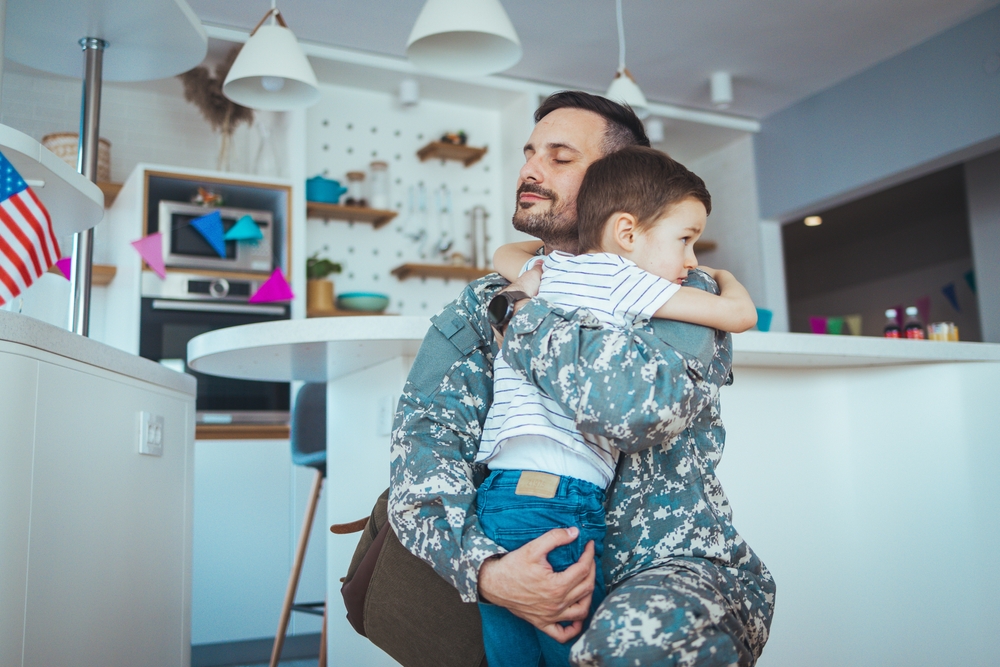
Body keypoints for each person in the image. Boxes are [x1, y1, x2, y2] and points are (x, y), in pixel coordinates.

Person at [389, 91, 774, 665]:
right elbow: (420, 452)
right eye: (529, 152)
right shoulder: (483, 302)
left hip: (669, 569)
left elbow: (635, 408)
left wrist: (522, 319)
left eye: (559, 156)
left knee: (626, 646)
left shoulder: (682, 293)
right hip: (516, 546)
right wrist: (489, 572)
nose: (529, 169)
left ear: (614, 182)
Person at [473, 145, 758, 667]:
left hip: (498, 494)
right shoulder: (628, 281)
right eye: (686, 239)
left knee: (510, 656)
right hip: (563, 498)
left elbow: (503, 254)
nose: (691, 258)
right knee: (577, 649)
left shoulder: (548, 270)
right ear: (627, 234)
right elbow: (739, 315)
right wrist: (721, 277)